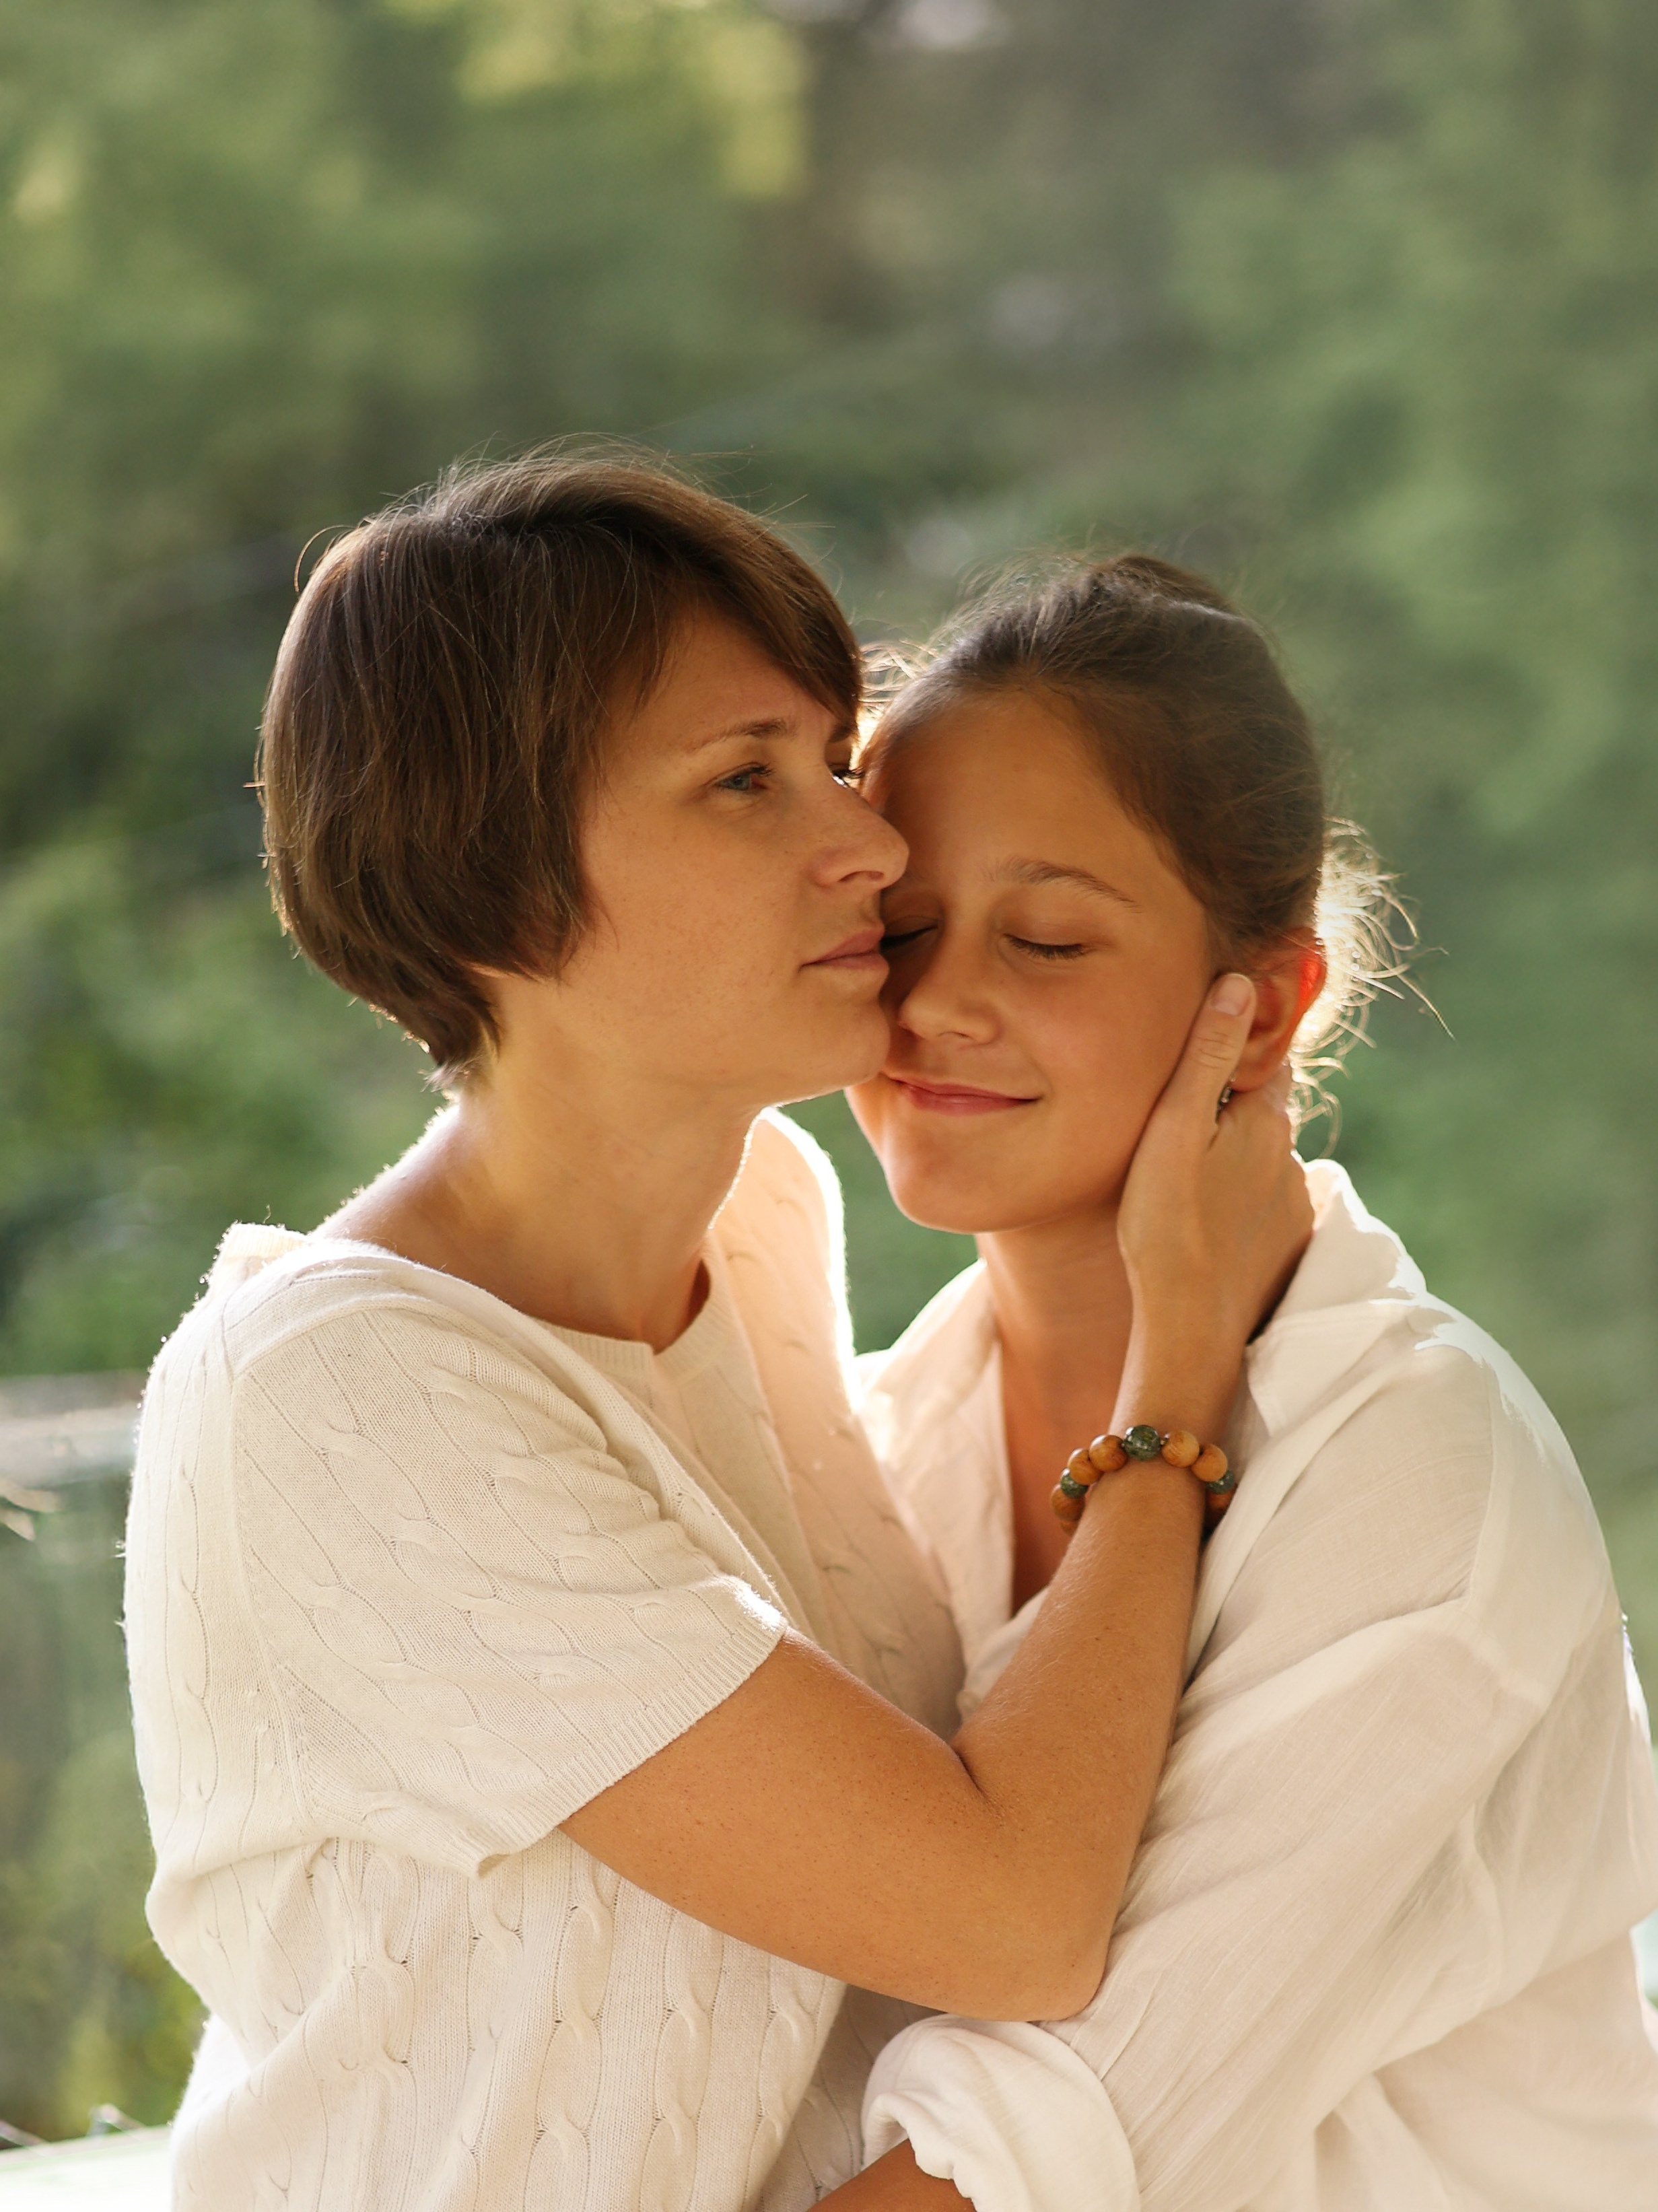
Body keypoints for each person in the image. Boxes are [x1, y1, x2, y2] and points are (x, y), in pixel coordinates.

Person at [122, 462, 1308, 2211]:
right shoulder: (339, 1392)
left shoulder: (764, 1211)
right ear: (489, 880)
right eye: (746, 781)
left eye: (832, 758)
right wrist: (1173, 1378)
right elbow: (1011, 1915)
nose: (874, 847)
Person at [823, 556, 1658, 2211]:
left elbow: (1040, 2148)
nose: (935, 1000)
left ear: (1264, 1006)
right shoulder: (879, 1437)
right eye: (897, 927)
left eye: (1046, 936)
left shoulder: (1420, 1470)